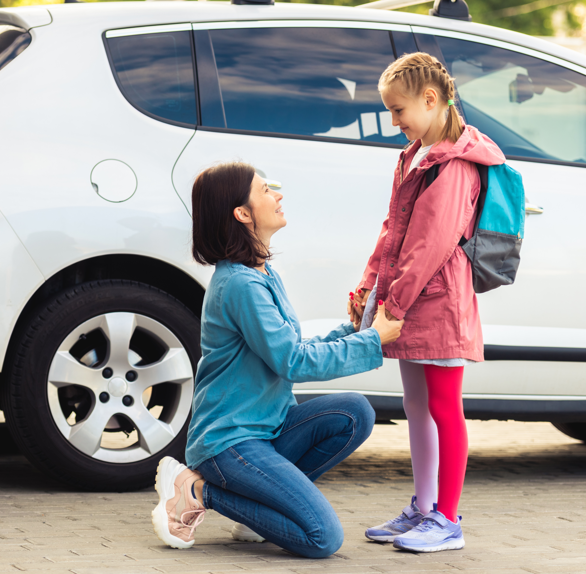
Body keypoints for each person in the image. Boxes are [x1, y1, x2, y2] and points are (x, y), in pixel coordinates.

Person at [150, 162, 405, 558]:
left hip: (269, 428)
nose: (278, 196)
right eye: (266, 190)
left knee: (355, 411)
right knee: (323, 538)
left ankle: (258, 512)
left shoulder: (261, 273)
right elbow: (293, 362)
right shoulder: (240, 284)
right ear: (243, 213)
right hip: (230, 441)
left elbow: (287, 348)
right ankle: (197, 489)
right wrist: (372, 341)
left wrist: (351, 331)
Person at [348, 52, 506, 553]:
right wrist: (368, 287)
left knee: (443, 407)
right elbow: (393, 230)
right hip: (409, 299)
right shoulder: (414, 155)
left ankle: (447, 519)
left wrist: (393, 304)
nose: (394, 122)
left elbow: (432, 243)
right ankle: (423, 506)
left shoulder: (454, 164)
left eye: (399, 111)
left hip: (437, 301)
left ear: (431, 100)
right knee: (416, 405)